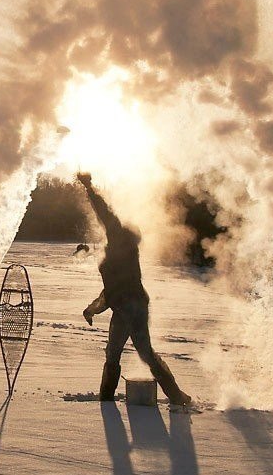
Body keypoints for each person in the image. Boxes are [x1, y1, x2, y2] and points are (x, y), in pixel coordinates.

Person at [77, 172, 191, 406]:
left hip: (134, 307)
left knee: (140, 353)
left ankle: (176, 397)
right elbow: (108, 292)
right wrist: (92, 310)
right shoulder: (115, 255)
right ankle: (108, 398)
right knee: (120, 353)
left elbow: (105, 213)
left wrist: (89, 187)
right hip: (124, 308)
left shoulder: (122, 244)